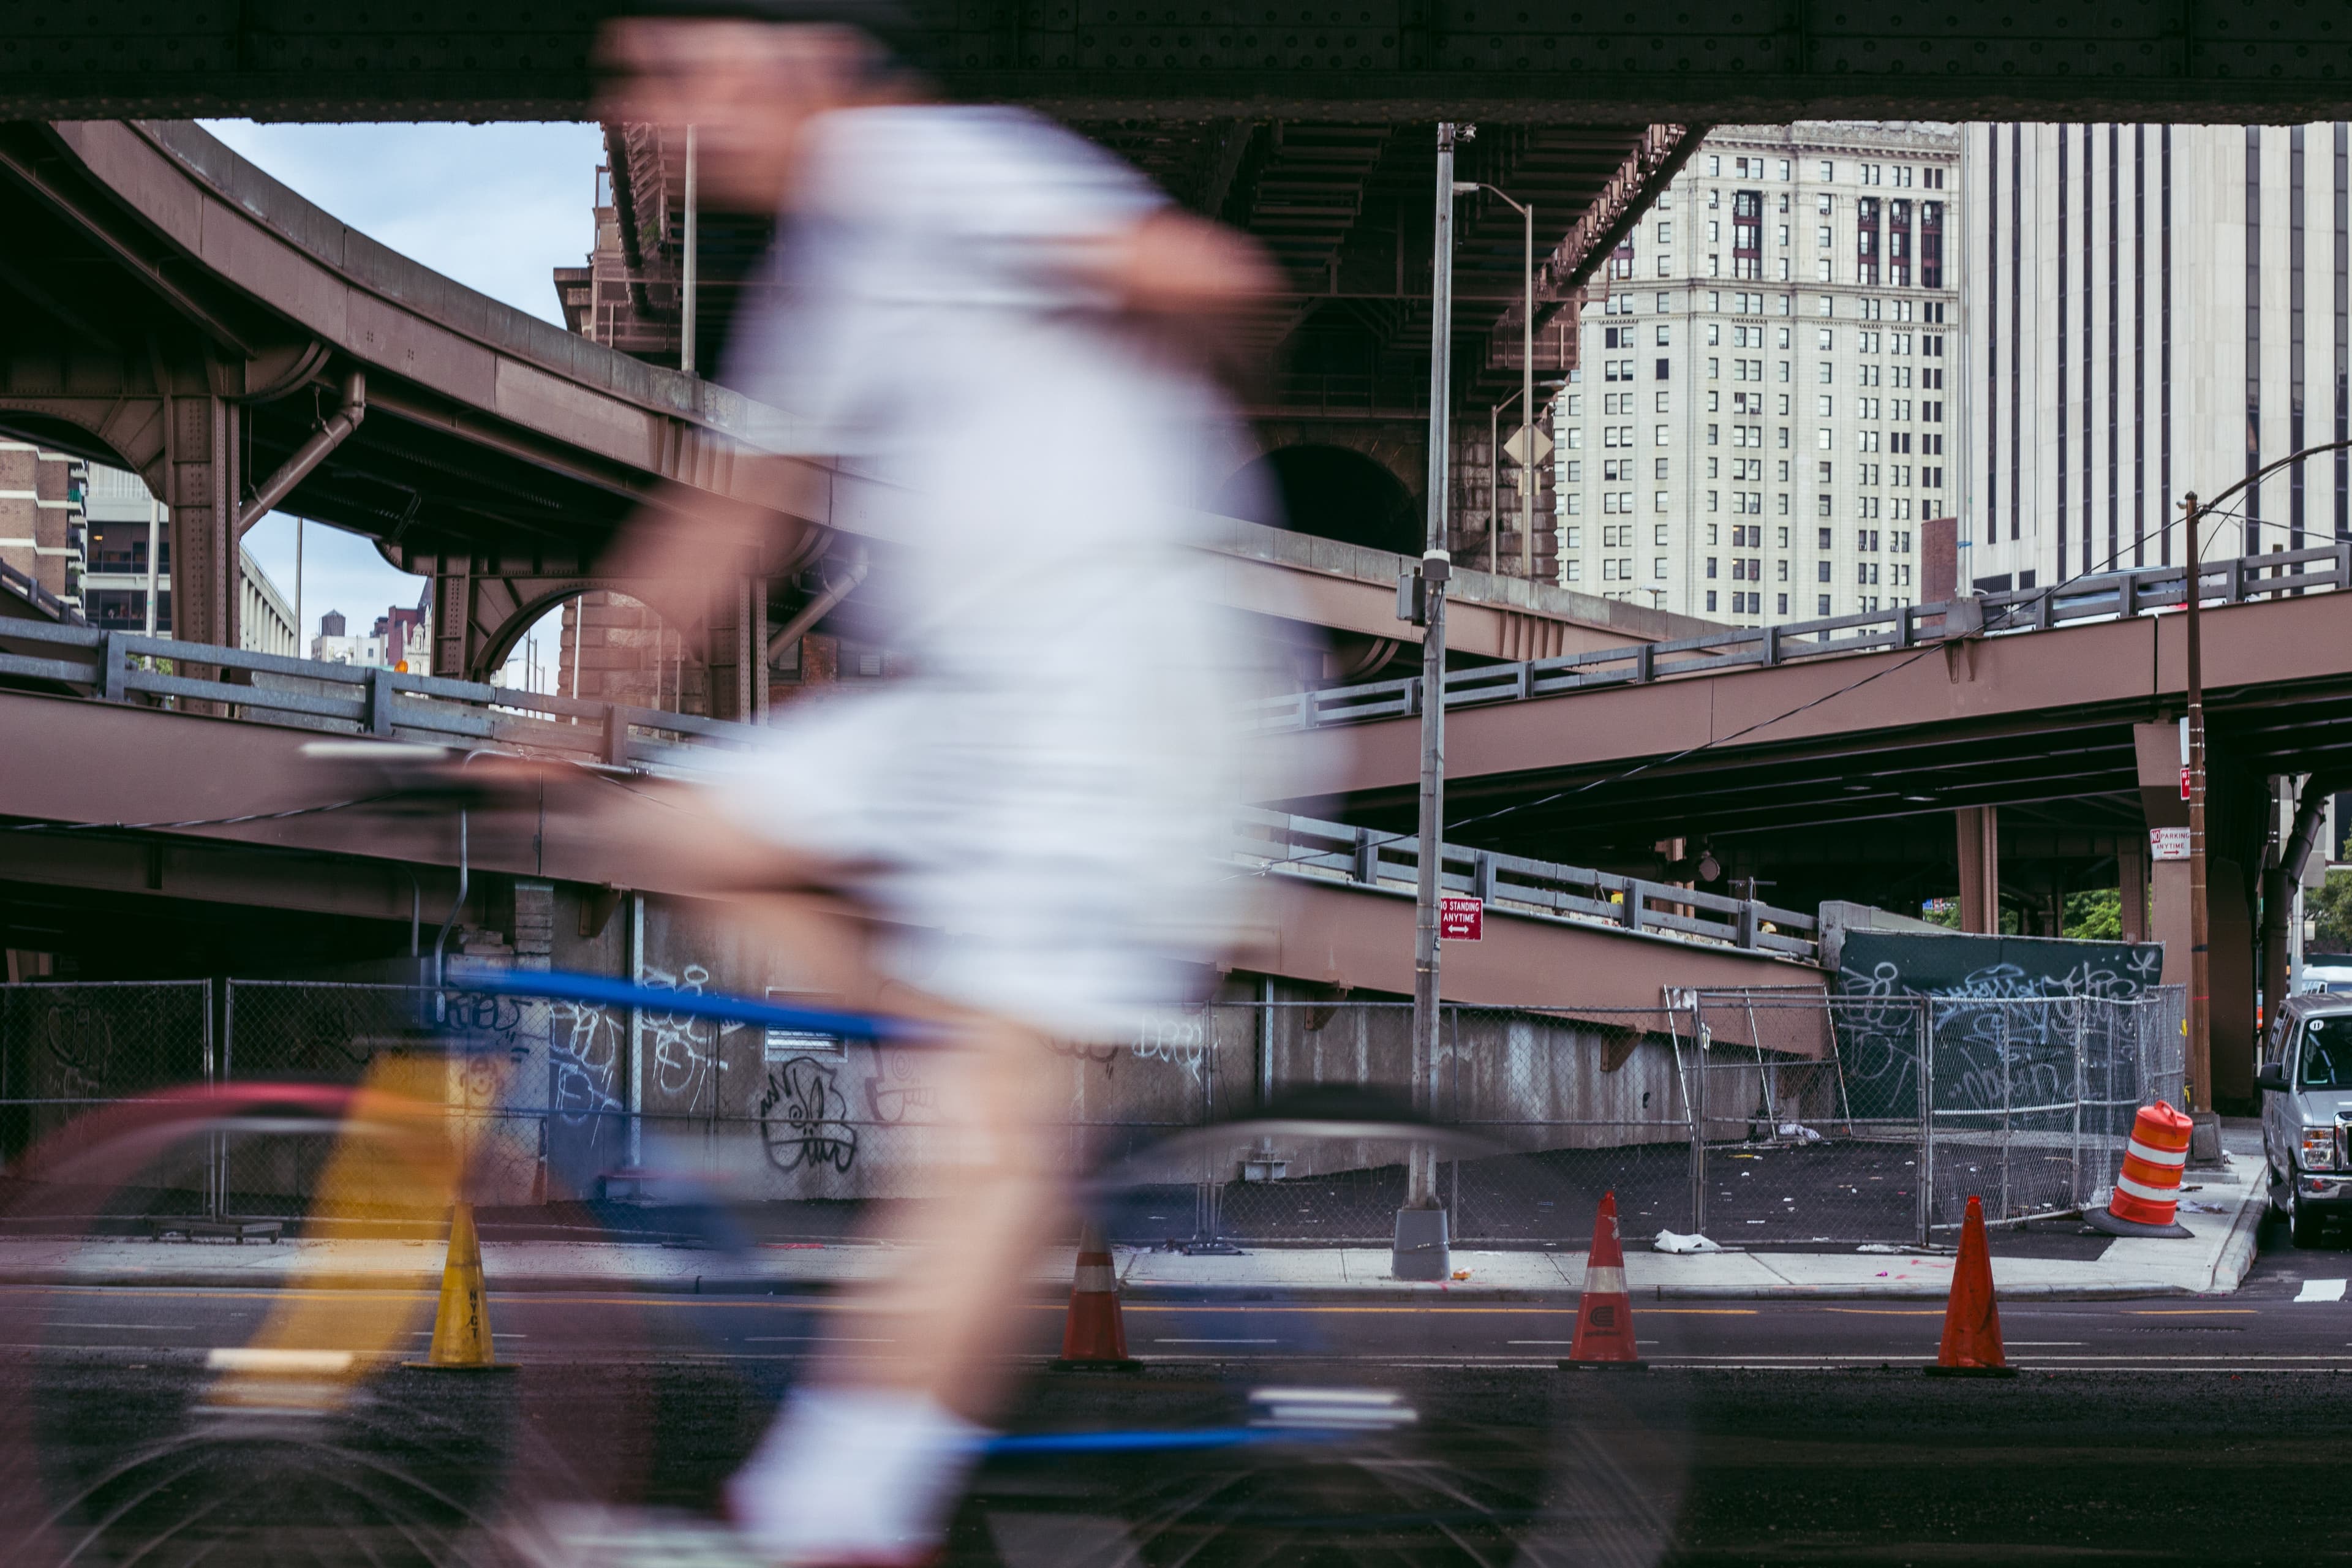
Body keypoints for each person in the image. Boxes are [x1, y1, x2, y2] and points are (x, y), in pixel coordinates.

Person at [586, 6, 1287, 1562]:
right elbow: (737, 511)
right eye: (642, 82)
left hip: (1109, 690)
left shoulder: (934, 166)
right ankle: (975, 1088)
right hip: (972, 712)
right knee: (674, 823)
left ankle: (828, 1518)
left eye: (689, 69)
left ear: (807, 56)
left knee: (981, 1131)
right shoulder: (829, 258)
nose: (664, 110)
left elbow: (1216, 277)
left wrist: (1129, 386)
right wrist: (556, 726)